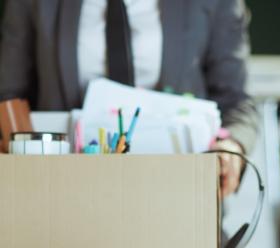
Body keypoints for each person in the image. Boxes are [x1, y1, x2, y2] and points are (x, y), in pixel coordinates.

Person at [0, 0, 258, 198]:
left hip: (177, 198)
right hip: (62, 198)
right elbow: (8, 94)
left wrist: (231, 147)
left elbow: (236, 102)